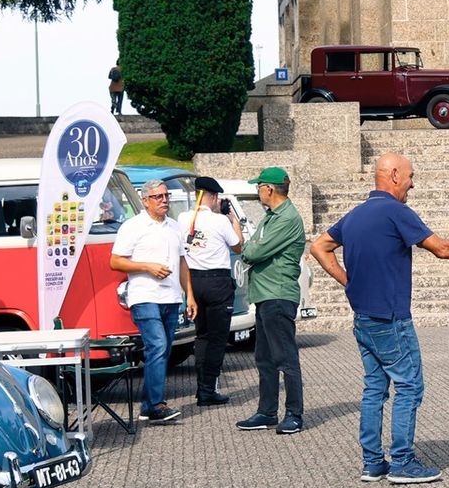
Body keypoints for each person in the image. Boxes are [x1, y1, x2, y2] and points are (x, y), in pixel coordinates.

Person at [309, 152, 449, 484]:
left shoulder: (355, 215)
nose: (412, 183)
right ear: (394, 175)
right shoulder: (396, 212)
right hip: (391, 319)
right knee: (409, 386)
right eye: (410, 176)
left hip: (364, 317)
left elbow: (319, 247)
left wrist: (350, 283)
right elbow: (441, 248)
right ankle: (403, 462)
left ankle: (372, 462)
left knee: (374, 388)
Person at [237, 167, 307, 435]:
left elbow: (254, 251)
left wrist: (249, 248)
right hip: (265, 294)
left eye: (259, 187)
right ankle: (267, 412)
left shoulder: (286, 218)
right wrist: (250, 248)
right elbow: (253, 247)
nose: (257, 191)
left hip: (278, 294)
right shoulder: (272, 217)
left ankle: (294, 414)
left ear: (269, 188)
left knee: (285, 357)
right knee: (265, 357)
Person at [109, 179, 186, 425]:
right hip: (144, 296)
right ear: (145, 201)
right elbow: (115, 261)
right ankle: (155, 405)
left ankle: (147, 406)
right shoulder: (133, 226)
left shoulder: (174, 226)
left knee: (162, 350)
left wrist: (190, 295)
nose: (164, 200)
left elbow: (183, 262)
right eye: (157, 197)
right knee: (158, 345)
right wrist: (147, 267)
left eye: (166, 195)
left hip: (171, 297)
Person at [182, 176, 244, 408]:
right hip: (217, 281)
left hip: (193, 280)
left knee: (202, 336)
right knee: (218, 338)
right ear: (215, 197)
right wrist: (232, 219)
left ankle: (202, 387)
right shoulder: (219, 221)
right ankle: (208, 389)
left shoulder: (183, 218)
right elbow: (238, 245)